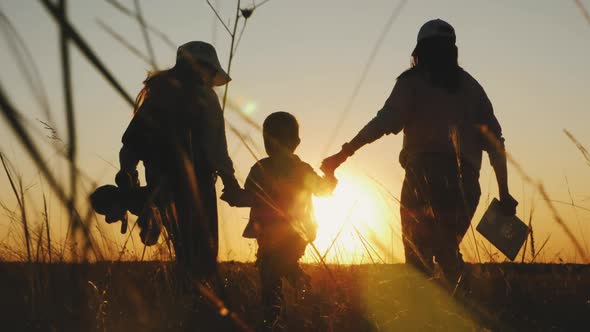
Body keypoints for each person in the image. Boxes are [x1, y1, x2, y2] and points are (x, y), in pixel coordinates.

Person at [321, 19, 518, 287]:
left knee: (417, 262)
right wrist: (504, 193)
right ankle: (467, 307)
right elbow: (496, 144)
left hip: (422, 179)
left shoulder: (411, 82)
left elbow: (383, 122)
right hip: (465, 186)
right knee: (447, 253)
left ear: (419, 51)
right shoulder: (473, 89)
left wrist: (343, 154)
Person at [116, 41, 246, 280]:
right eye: (211, 72)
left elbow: (131, 143)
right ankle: (197, 306)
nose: (211, 78)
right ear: (203, 68)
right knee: (202, 258)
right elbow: (216, 147)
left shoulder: (157, 95)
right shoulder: (206, 97)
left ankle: (151, 213)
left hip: (159, 183)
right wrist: (230, 183)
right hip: (196, 185)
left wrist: (128, 173)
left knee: (183, 250)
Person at [238, 112, 337, 330]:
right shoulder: (300, 169)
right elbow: (324, 190)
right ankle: (301, 293)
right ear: (297, 143)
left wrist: (234, 194)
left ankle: (274, 317)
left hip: (275, 234)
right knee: (281, 267)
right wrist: (330, 174)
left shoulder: (261, 168)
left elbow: (247, 196)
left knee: (270, 274)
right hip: (295, 234)